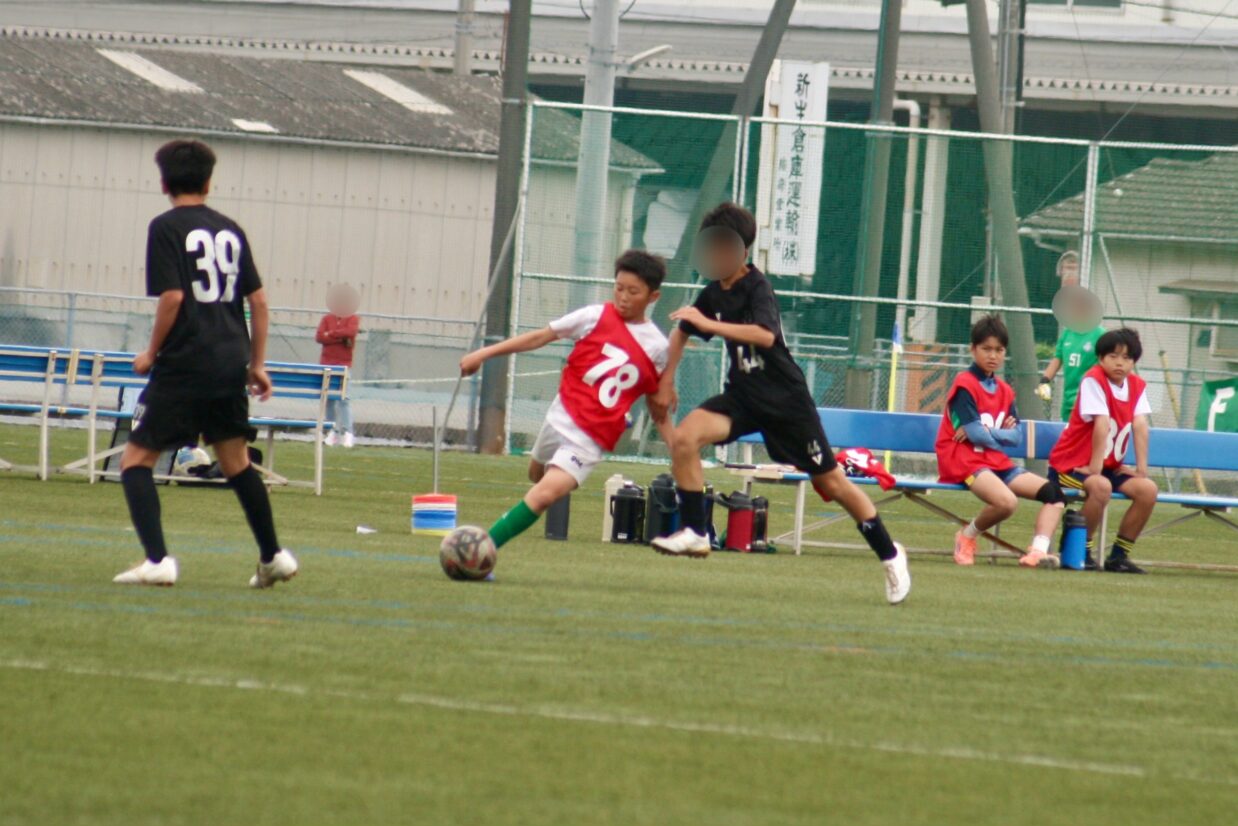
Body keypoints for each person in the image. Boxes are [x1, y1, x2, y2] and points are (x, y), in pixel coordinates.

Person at [647, 202, 910, 605]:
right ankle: (696, 532)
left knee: (831, 483)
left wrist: (710, 324)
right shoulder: (714, 291)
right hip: (742, 397)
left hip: (786, 402)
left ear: (743, 250)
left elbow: (765, 335)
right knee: (685, 438)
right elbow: (682, 331)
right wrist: (666, 381)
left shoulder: (757, 286)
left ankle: (891, 556)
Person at [112, 139, 297, 589]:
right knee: (236, 463)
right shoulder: (231, 229)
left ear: (164, 184)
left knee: (135, 461)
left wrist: (151, 353)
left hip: (186, 360)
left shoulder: (165, 228)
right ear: (209, 182)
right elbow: (259, 301)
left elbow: (173, 297)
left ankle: (157, 560)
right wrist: (257, 363)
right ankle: (273, 556)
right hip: (229, 360)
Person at [460, 250, 673, 555]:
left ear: (653, 297)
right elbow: (539, 337)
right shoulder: (593, 316)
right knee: (536, 477)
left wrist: (675, 445)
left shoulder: (658, 347)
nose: (623, 297)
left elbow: (657, 400)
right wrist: (483, 354)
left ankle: (480, 550)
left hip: (590, 438)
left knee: (543, 495)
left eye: (633, 291)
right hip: (561, 414)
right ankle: (545, 483)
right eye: (619, 288)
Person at [936, 315, 1065, 569]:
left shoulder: (1005, 390)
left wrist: (987, 431)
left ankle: (1037, 552)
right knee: (1007, 502)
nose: (993, 355)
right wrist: (992, 433)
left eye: (999, 350)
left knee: (1055, 494)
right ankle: (966, 536)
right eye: (986, 349)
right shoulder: (964, 384)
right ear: (973, 349)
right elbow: (976, 436)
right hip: (965, 461)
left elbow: (1015, 436)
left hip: (994, 460)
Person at [1048, 328, 1157, 574]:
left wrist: (1141, 470)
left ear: (1134, 362)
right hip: (1071, 465)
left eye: (1127, 358)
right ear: (1100, 358)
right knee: (1100, 486)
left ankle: (1118, 557)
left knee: (1147, 490)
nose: (1120, 363)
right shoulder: (1093, 379)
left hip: (1107, 467)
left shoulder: (1136, 385)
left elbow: (1140, 425)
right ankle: (1080, 551)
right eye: (1113, 356)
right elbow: (1102, 423)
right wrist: (1095, 467)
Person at [1038, 279, 1105, 421]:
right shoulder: (1067, 334)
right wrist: (1044, 380)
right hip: (1068, 401)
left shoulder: (1100, 334)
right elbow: (1058, 358)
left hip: (1091, 401)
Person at [317, 284, 360, 448]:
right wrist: (338, 337)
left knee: (343, 399)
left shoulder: (353, 319)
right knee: (328, 400)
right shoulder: (326, 319)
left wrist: (331, 334)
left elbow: (350, 332)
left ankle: (347, 432)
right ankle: (332, 431)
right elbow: (320, 336)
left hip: (344, 365)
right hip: (327, 365)